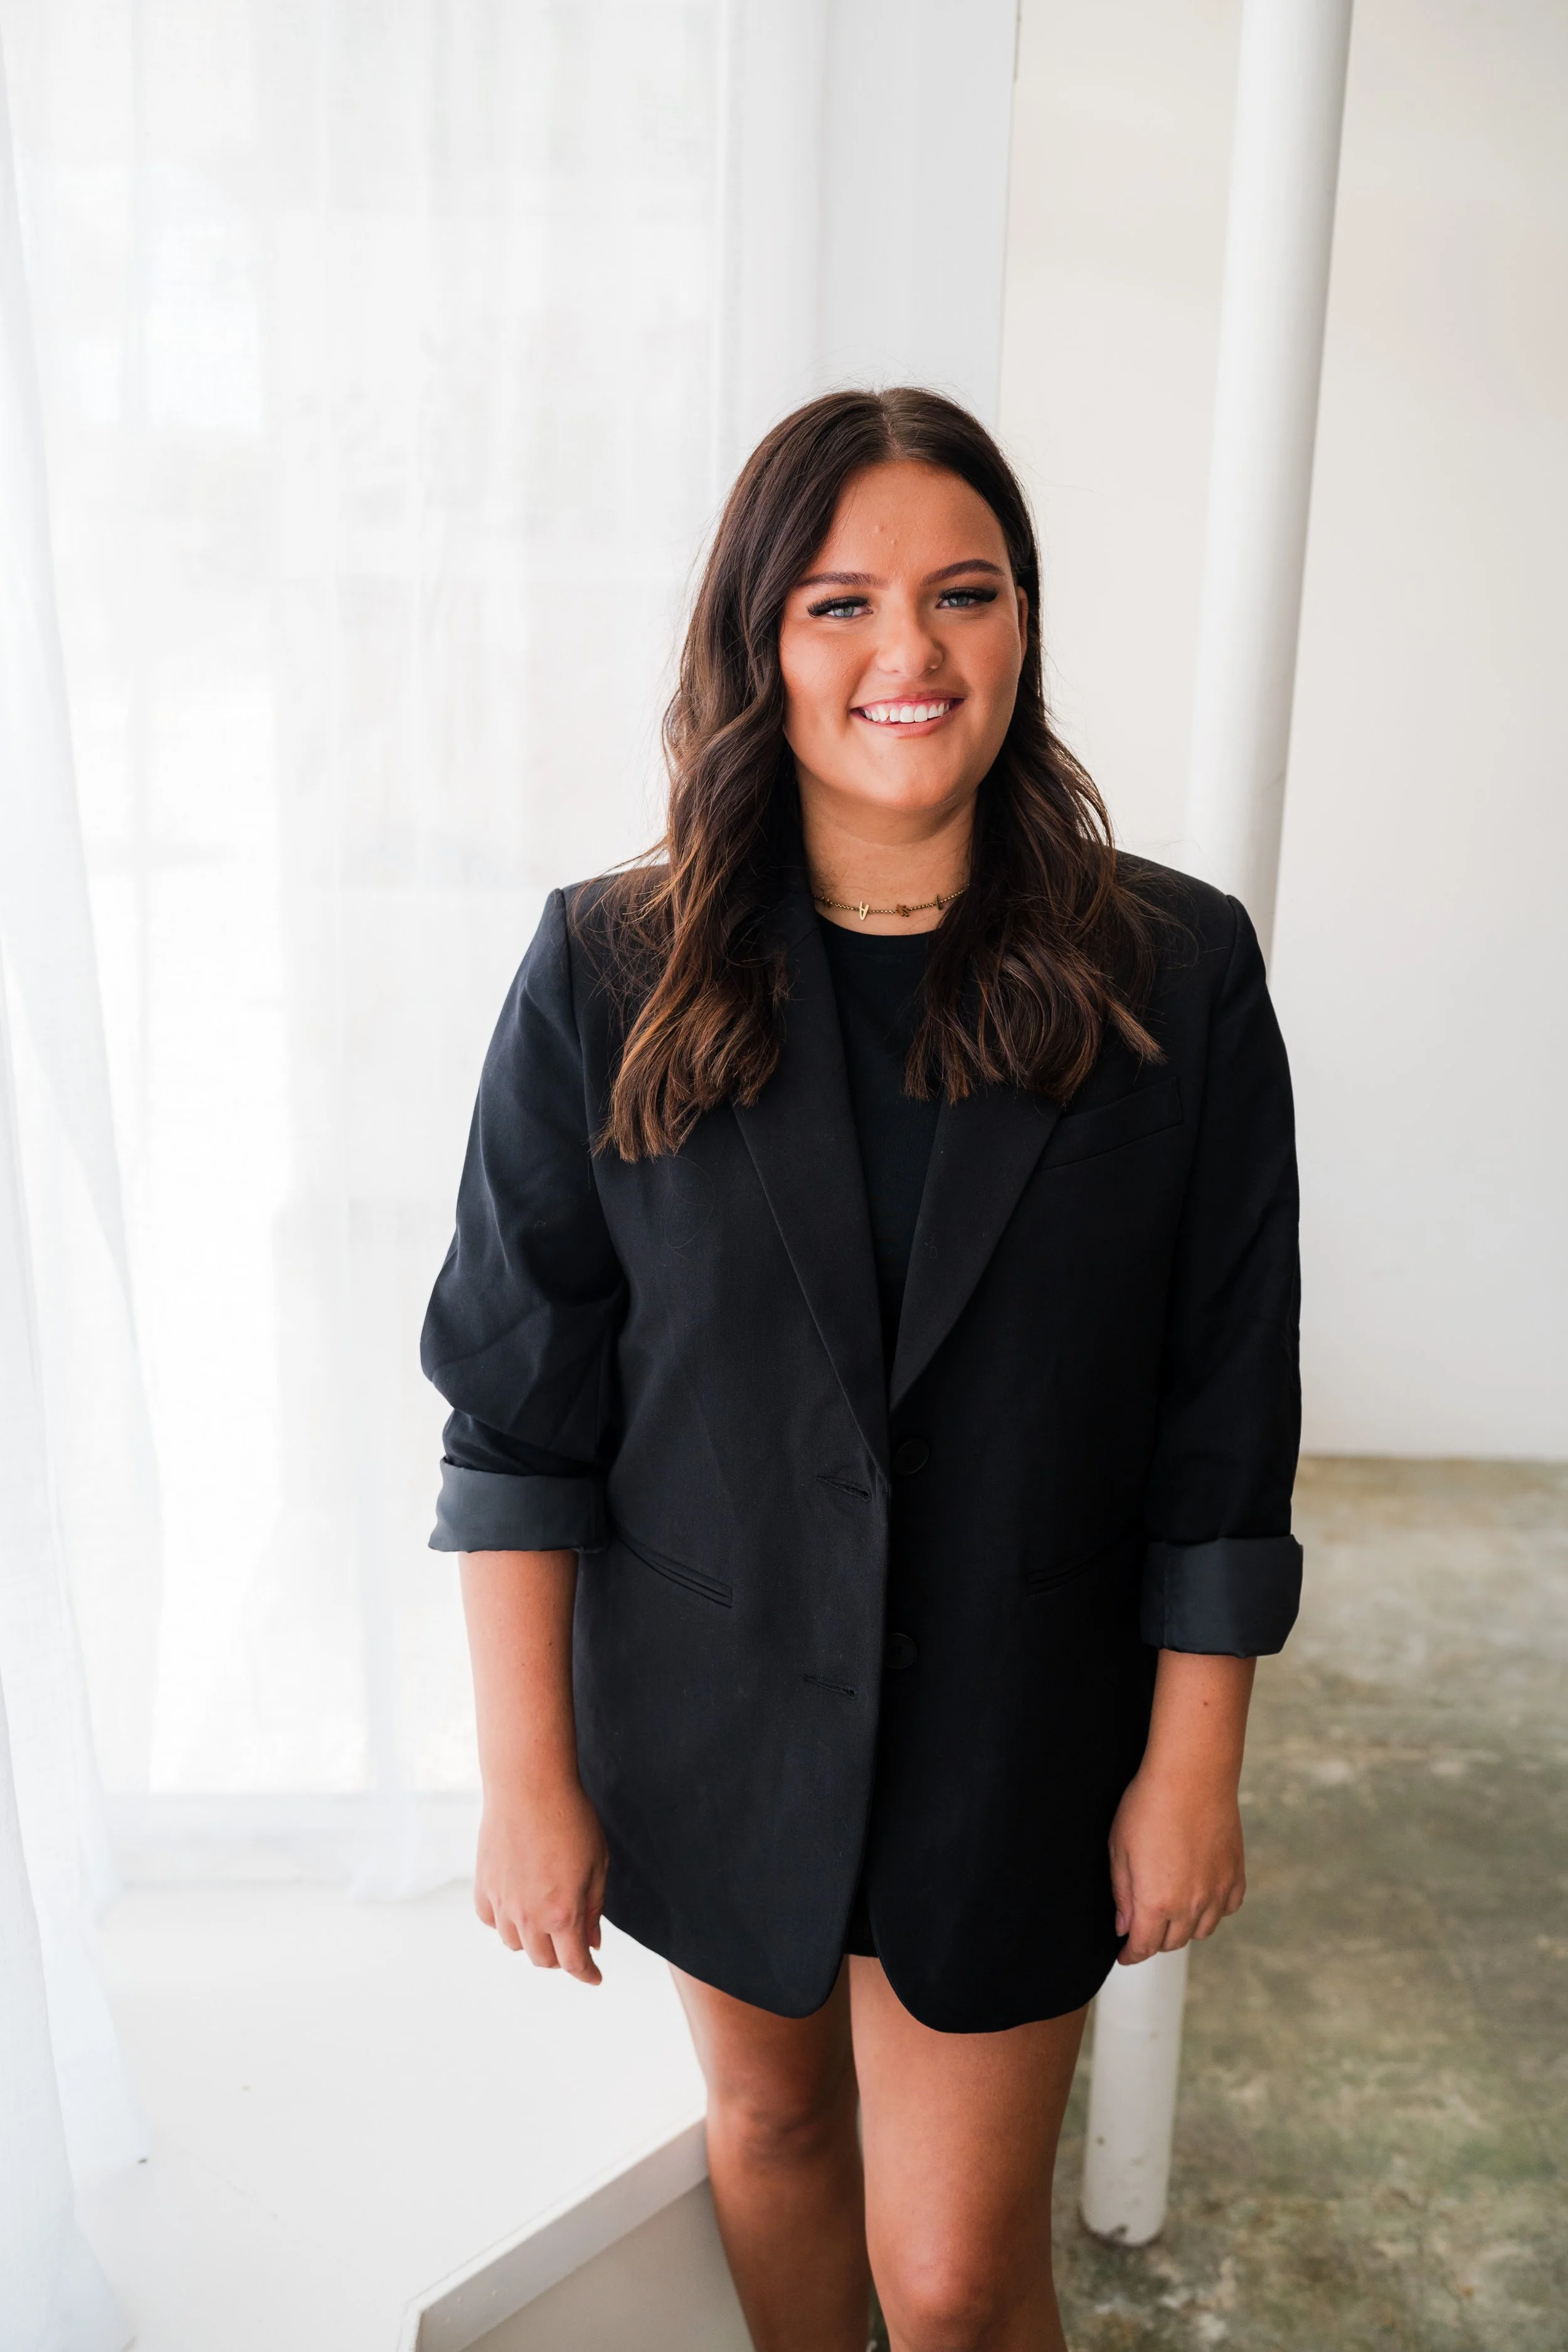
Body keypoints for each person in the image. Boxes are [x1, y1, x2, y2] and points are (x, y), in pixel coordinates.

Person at [421, 388, 1301, 2352]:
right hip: (709, 1714)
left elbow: (1224, 1411)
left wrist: (1192, 1761)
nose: (910, 649)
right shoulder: (606, 968)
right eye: (839, 603)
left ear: (1022, 623)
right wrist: (526, 1778)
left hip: (1025, 1726)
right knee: (769, 2128)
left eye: (961, 593)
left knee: (961, 2279)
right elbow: (516, 1410)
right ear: (759, 641)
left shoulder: (1176, 973)